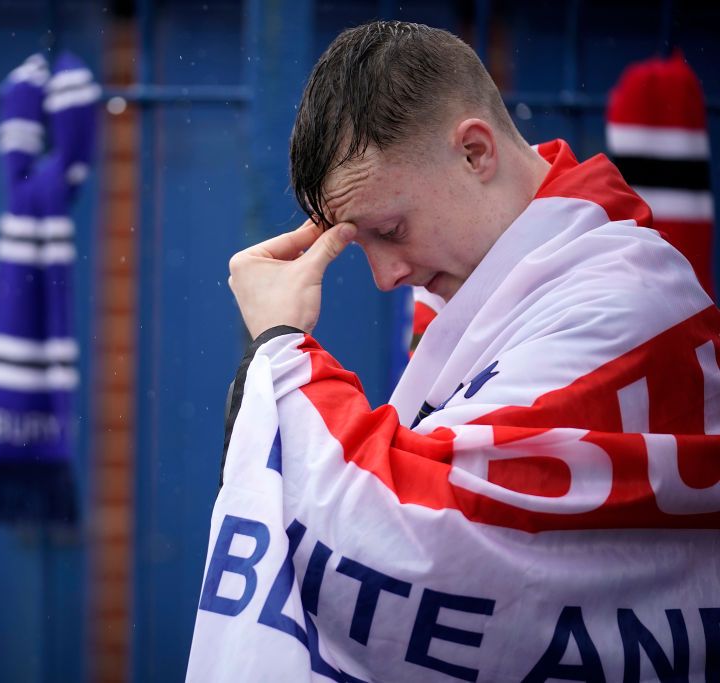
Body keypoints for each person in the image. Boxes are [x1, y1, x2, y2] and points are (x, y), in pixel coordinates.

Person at [188, 21, 720, 682]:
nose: (384, 276)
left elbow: (425, 543)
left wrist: (281, 353)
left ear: (474, 152)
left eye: (390, 230)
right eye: (363, 244)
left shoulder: (621, 300)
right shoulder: (486, 288)